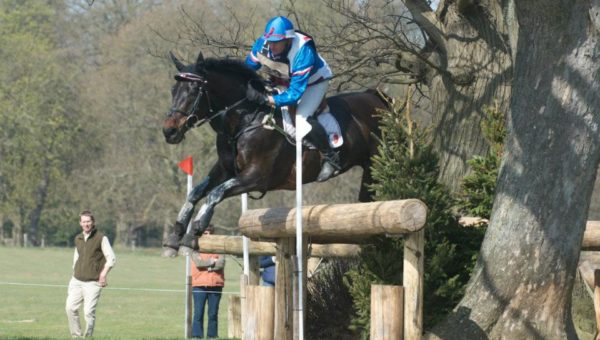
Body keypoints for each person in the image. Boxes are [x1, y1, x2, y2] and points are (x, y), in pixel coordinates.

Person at [245, 15, 340, 182]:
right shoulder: (263, 43)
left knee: (301, 121)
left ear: (288, 40)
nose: (271, 46)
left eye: (276, 42)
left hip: (313, 83)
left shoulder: (303, 51)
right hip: (285, 80)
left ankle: (331, 158)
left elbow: (294, 94)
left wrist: (266, 99)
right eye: (270, 41)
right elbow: (247, 68)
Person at [65, 210, 116, 338]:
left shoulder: (101, 238)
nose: (86, 224)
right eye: (84, 222)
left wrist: (103, 274)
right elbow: (76, 257)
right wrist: (74, 273)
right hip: (76, 281)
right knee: (70, 308)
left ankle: (87, 337)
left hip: (93, 282)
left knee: (88, 312)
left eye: (88, 221)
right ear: (80, 223)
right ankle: (76, 336)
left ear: (93, 222)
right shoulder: (78, 238)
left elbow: (112, 259)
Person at [190, 225, 225, 339]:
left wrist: (207, 265)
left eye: (210, 233)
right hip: (199, 285)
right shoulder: (195, 248)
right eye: (205, 233)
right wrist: (212, 261)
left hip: (216, 285)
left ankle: (212, 335)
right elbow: (198, 264)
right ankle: (197, 336)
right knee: (198, 313)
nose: (207, 235)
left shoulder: (219, 248)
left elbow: (221, 264)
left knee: (213, 313)